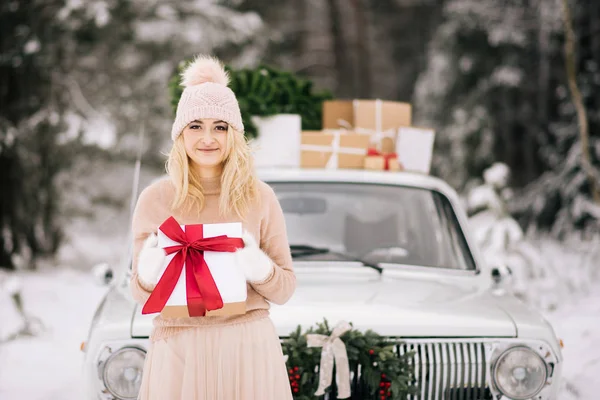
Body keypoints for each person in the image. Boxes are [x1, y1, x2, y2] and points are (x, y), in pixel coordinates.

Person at [130, 55, 296, 400]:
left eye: (220, 126)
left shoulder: (260, 197)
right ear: (180, 133)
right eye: (196, 126)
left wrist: (260, 268)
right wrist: (147, 273)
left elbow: (284, 290)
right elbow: (140, 295)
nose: (208, 138)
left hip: (246, 348)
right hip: (178, 350)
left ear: (234, 134)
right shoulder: (154, 199)